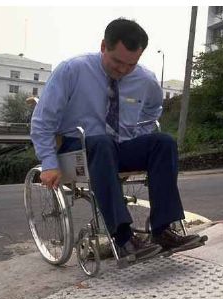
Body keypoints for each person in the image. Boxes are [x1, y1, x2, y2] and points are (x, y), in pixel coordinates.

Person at [30, 18, 205, 262]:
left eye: (131, 64)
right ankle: (123, 238)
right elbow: (42, 120)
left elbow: (154, 109)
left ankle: (163, 230)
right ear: (103, 46)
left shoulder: (145, 79)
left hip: (119, 145)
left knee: (163, 142)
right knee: (101, 142)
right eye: (117, 62)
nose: (123, 70)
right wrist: (48, 162)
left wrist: (135, 131)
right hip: (77, 148)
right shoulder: (72, 70)